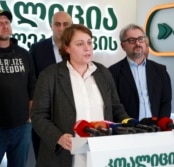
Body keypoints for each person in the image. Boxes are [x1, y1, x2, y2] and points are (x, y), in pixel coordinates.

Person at [31, 24, 130, 167]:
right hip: (63, 156)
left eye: (89, 42)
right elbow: (38, 116)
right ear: (67, 48)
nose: (87, 47)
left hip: (99, 153)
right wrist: (58, 137)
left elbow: (116, 107)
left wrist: (128, 122)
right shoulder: (49, 75)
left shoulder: (103, 72)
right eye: (80, 44)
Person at [0, 9, 36, 167]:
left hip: (22, 128)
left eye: (7, 22)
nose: (5, 26)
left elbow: (32, 86)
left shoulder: (23, 54)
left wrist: (29, 117)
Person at [29, 11, 72, 160]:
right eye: (57, 24)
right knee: (44, 156)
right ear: (51, 26)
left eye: (65, 24)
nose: (61, 28)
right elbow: (31, 80)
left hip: (70, 114)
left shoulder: (76, 49)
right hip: (44, 112)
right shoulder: (37, 49)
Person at [109, 23, 172, 123]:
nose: (137, 43)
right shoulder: (113, 72)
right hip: (128, 131)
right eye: (132, 40)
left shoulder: (160, 70)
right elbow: (114, 106)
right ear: (123, 45)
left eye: (140, 39)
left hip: (156, 130)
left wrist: (162, 125)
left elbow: (165, 102)